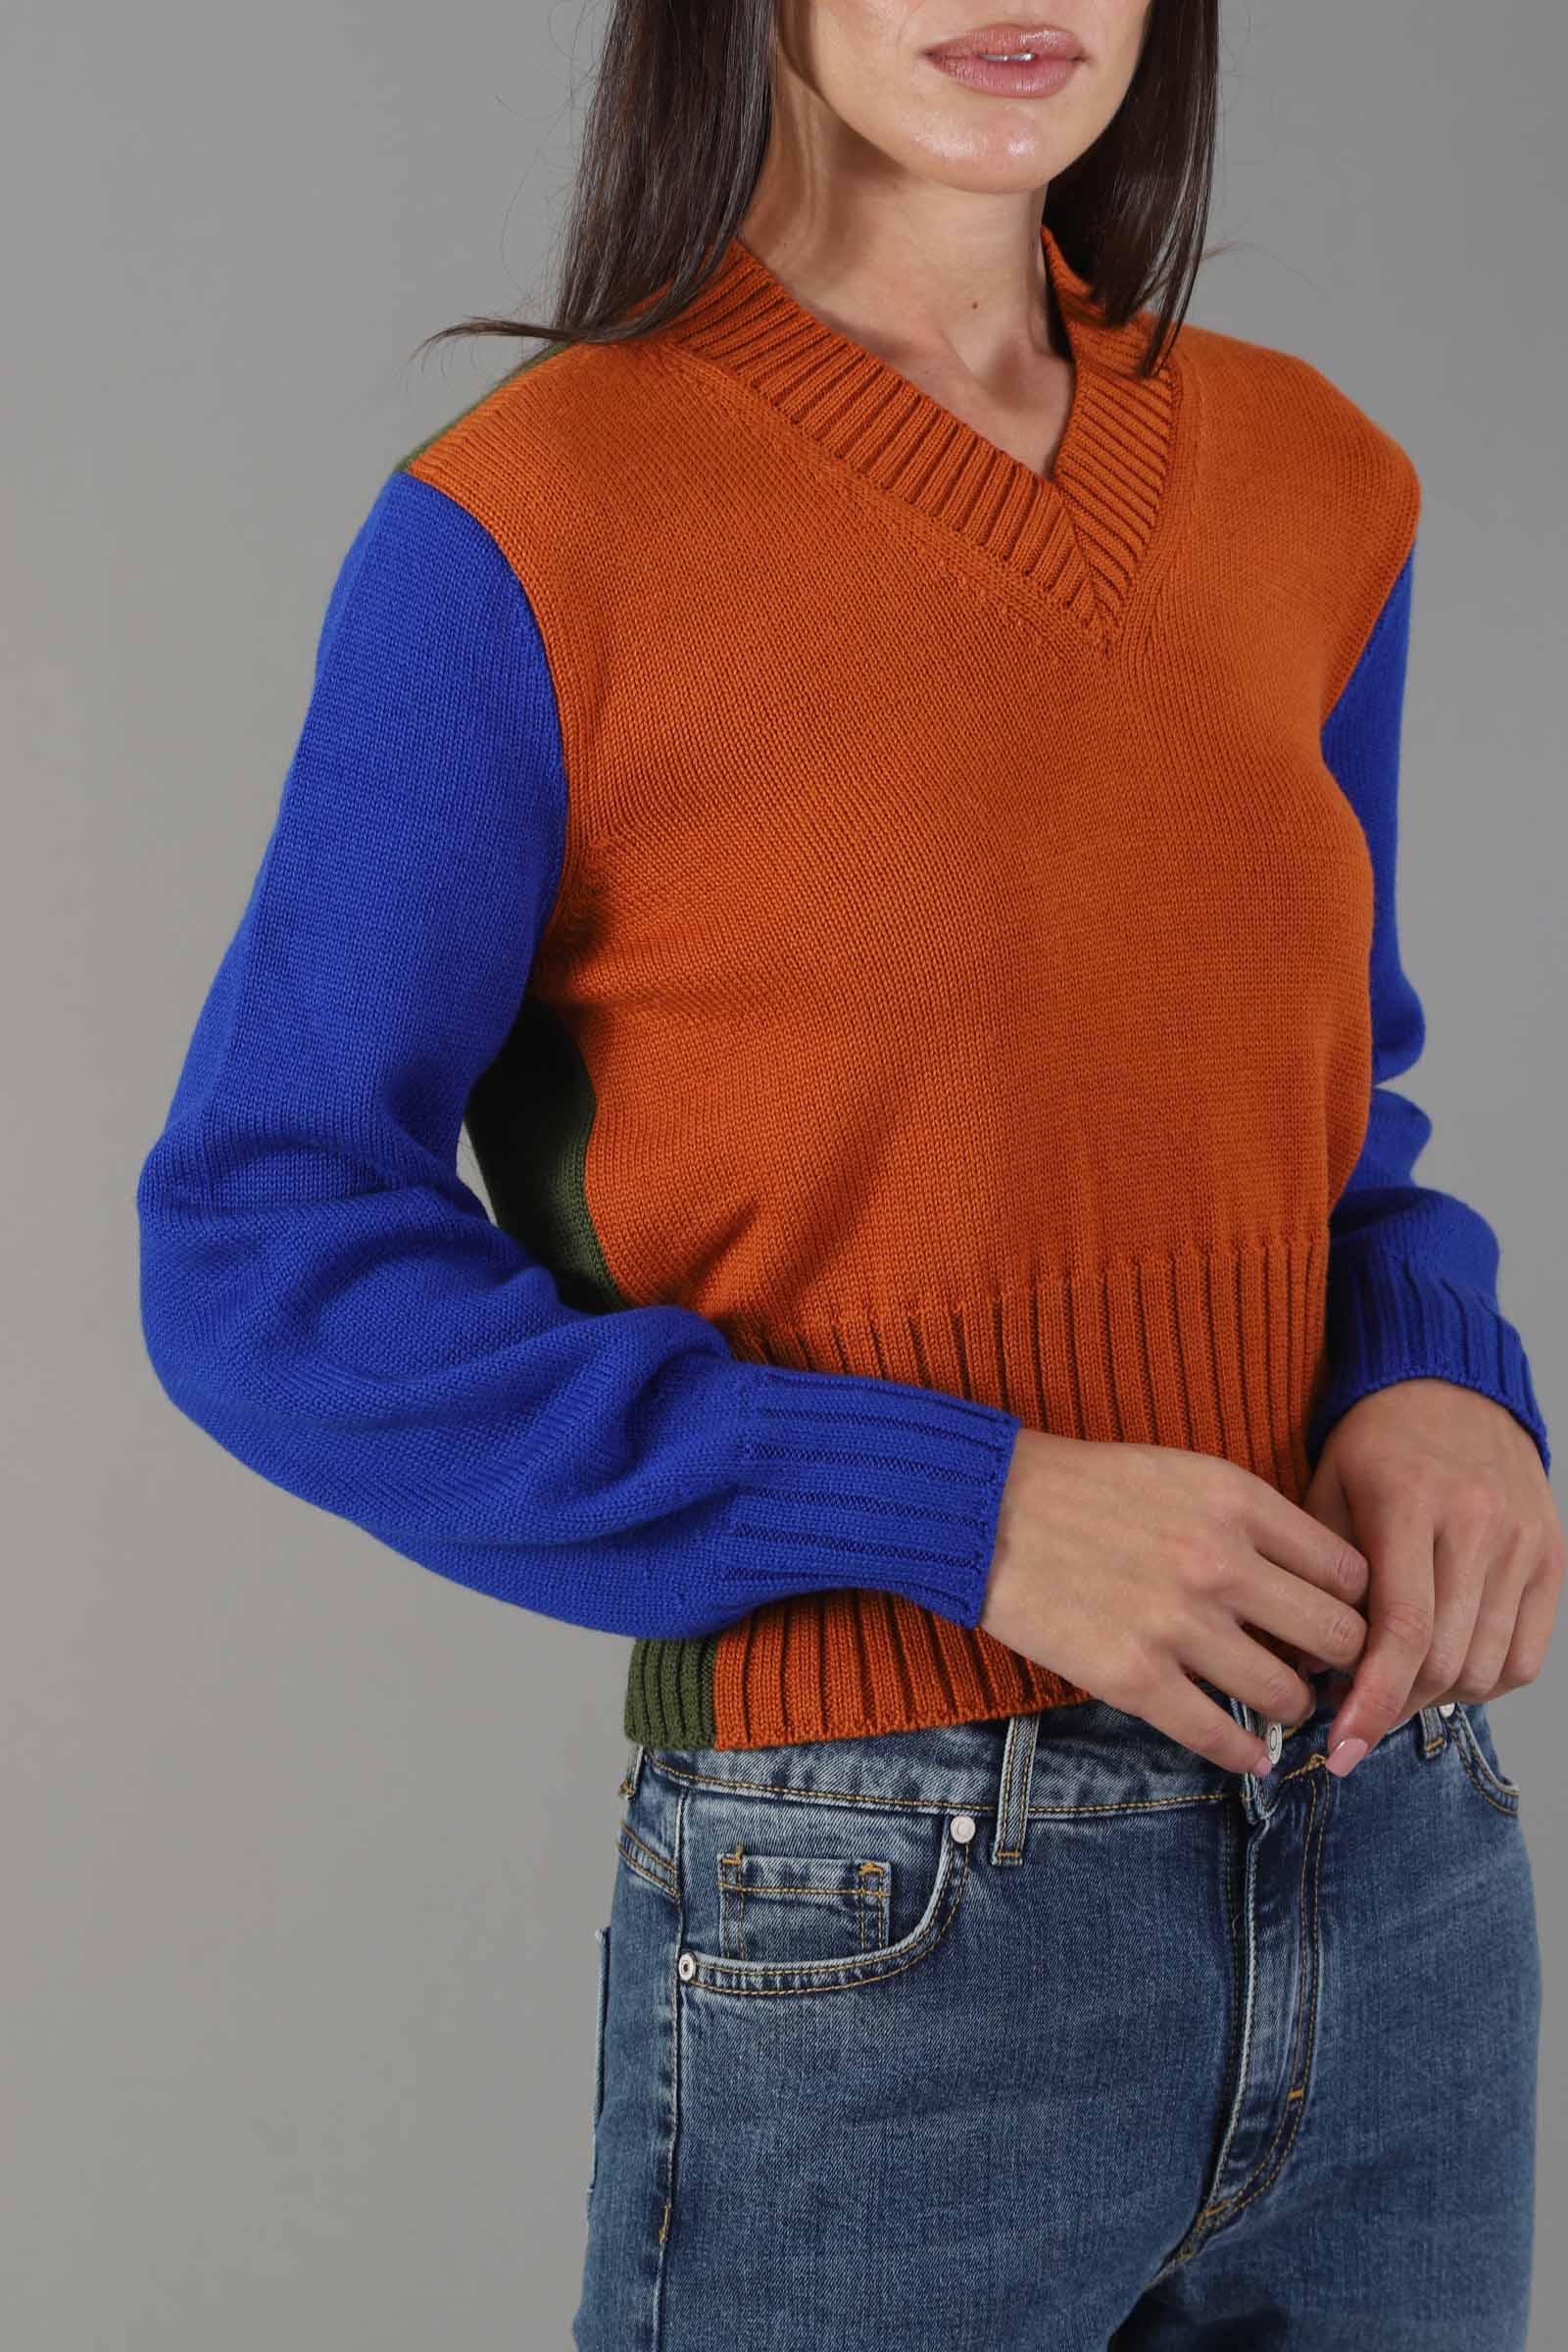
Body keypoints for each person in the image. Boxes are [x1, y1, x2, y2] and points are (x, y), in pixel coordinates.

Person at [135, 3, 1565, 2343]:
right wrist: (952, 1507)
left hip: (1391, 1850)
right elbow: (258, 1251)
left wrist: (1435, 1369)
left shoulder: (1314, 479)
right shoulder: (534, 522)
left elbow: (1320, 1124)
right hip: (886, 1904)